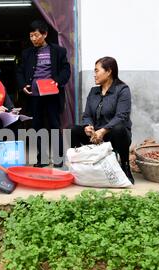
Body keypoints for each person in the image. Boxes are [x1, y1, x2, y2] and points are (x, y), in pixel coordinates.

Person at [70, 56, 134, 184]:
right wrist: (89, 127)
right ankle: (80, 167)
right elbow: (87, 114)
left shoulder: (122, 90)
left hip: (114, 135)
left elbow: (121, 116)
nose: (94, 75)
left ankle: (125, 167)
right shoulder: (93, 91)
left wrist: (103, 131)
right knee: (73, 130)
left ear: (109, 71)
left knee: (119, 128)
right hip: (95, 135)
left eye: (97, 71)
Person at [16, 20, 71, 167]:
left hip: (52, 94)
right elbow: (20, 71)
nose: (33, 38)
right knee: (36, 125)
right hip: (34, 95)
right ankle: (42, 158)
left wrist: (57, 81)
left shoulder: (58, 51)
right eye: (31, 35)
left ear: (45, 34)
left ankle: (59, 158)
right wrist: (23, 86)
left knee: (54, 124)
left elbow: (66, 70)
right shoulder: (26, 53)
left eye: (36, 35)